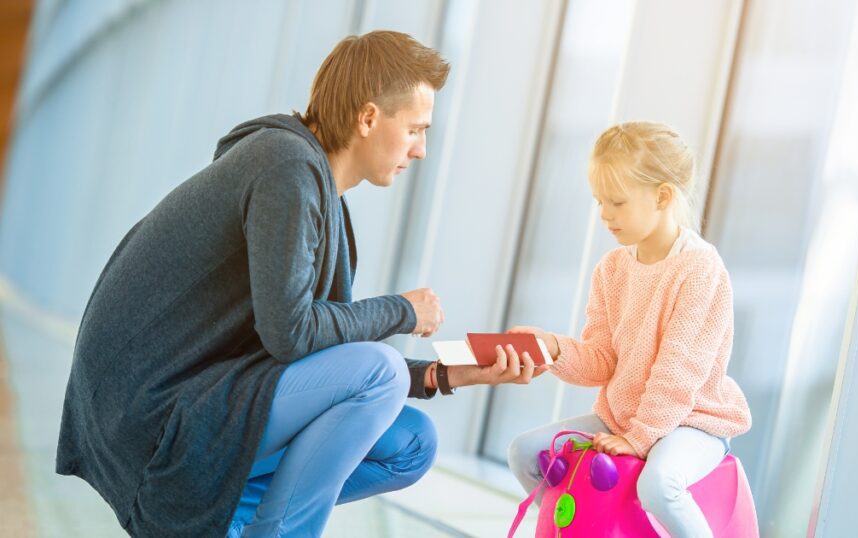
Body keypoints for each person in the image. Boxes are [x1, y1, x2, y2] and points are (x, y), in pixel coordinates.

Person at [55, 30, 544, 538]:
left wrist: (445, 376)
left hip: (206, 394)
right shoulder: (285, 167)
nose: (420, 150)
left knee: (413, 443)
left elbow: (323, 356)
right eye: (416, 129)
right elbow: (291, 335)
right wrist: (403, 309)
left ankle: (234, 520)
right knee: (379, 372)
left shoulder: (312, 184)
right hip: (153, 419)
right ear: (369, 117)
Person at [506, 122, 751, 537]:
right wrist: (553, 348)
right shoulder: (612, 270)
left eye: (616, 202)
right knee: (525, 452)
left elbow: (678, 373)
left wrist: (640, 438)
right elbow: (601, 362)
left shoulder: (699, 269)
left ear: (662, 196)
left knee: (660, 486)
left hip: (691, 422)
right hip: (624, 420)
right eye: (599, 202)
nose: (604, 214)